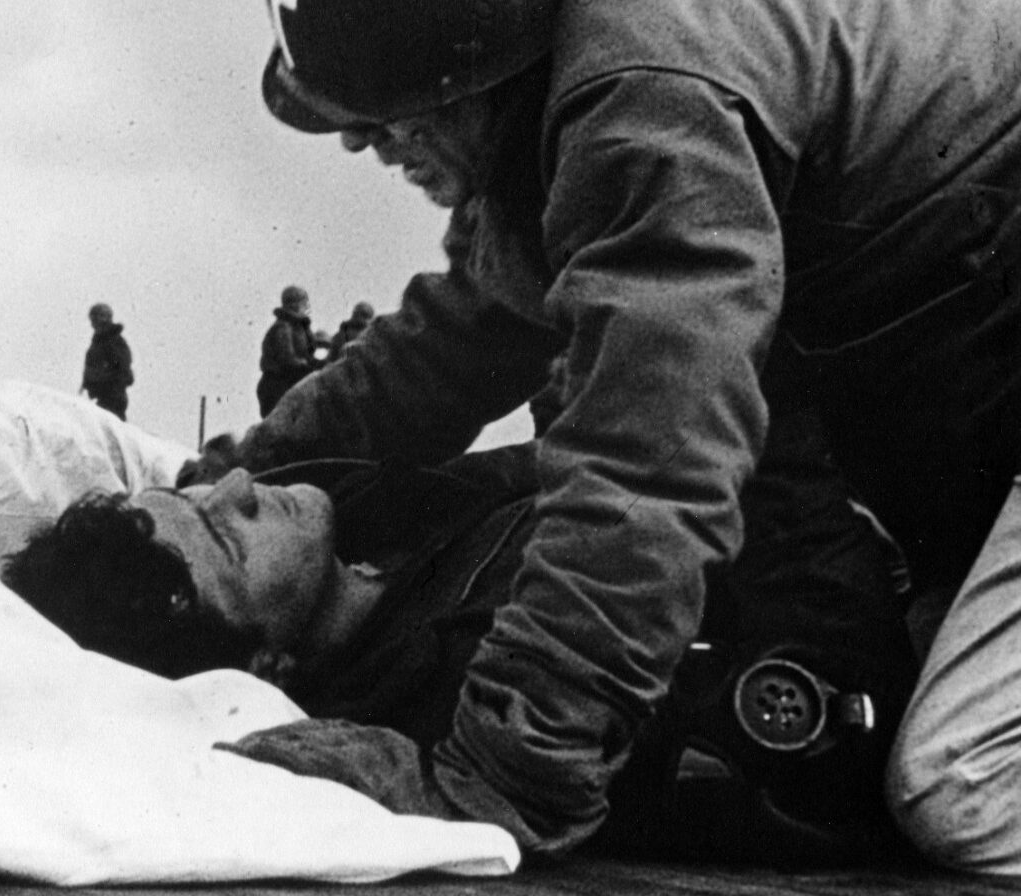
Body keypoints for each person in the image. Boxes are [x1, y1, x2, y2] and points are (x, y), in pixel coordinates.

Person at [174, 0, 1021, 869]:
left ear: (475, 61)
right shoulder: (574, 108)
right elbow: (446, 350)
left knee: (962, 781)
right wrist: (230, 474)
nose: (361, 142)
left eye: (381, 111)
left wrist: (504, 776)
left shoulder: (644, 102)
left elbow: (650, 457)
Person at [5, 410, 916, 863]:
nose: (241, 482)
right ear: (265, 663)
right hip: (902, 593)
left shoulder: (390, 524)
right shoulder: (467, 694)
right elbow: (812, 726)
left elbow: (602, 445)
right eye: (223, 534)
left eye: (204, 494)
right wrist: (768, 422)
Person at [256, 285, 320, 417]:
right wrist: (312, 366)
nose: (306, 307)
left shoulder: (299, 328)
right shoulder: (283, 327)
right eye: (304, 303)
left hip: (291, 384)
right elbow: (287, 360)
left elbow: (307, 355)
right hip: (278, 387)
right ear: (296, 304)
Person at [80, 302, 135, 421]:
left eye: (96, 317)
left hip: (113, 394)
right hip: (102, 395)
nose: (93, 322)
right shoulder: (99, 343)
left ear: (105, 318)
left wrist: (106, 380)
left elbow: (122, 367)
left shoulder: (113, 341)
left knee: (110, 426)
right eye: (92, 318)